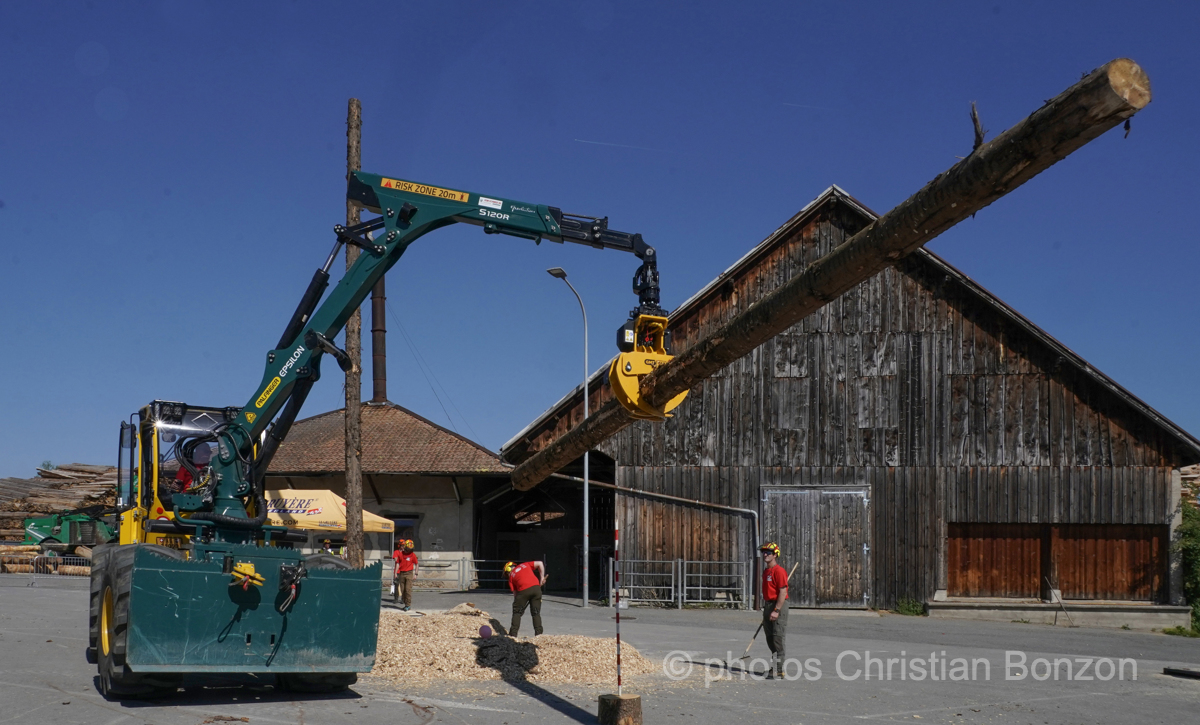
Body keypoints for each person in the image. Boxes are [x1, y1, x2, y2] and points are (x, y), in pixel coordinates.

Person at [760, 542, 789, 678]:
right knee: (770, 638)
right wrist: (768, 609)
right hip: (768, 605)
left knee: (777, 637)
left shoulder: (779, 571)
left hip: (778, 605)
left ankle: (778, 669)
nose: (765, 554)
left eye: (768, 552)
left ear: (775, 554)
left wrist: (776, 610)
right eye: (764, 552)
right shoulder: (766, 571)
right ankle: (776, 667)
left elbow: (782, 592)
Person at [505, 560, 546, 637]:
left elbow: (516, 596)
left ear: (509, 570)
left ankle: (513, 635)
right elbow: (540, 563)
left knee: (516, 613)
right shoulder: (525, 564)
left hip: (523, 591)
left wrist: (520, 609)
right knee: (536, 613)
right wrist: (542, 577)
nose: (508, 575)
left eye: (507, 574)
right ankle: (539, 635)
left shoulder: (511, 577)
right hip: (536, 588)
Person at [392, 539, 419, 611]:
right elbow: (397, 563)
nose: (410, 550)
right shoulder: (401, 554)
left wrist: (416, 574)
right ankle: (404, 601)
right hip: (401, 573)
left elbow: (416, 564)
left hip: (409, 573)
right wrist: (395, 573)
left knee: (408, 590)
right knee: (402, 590)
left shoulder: (413, 555)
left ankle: (408, 605)